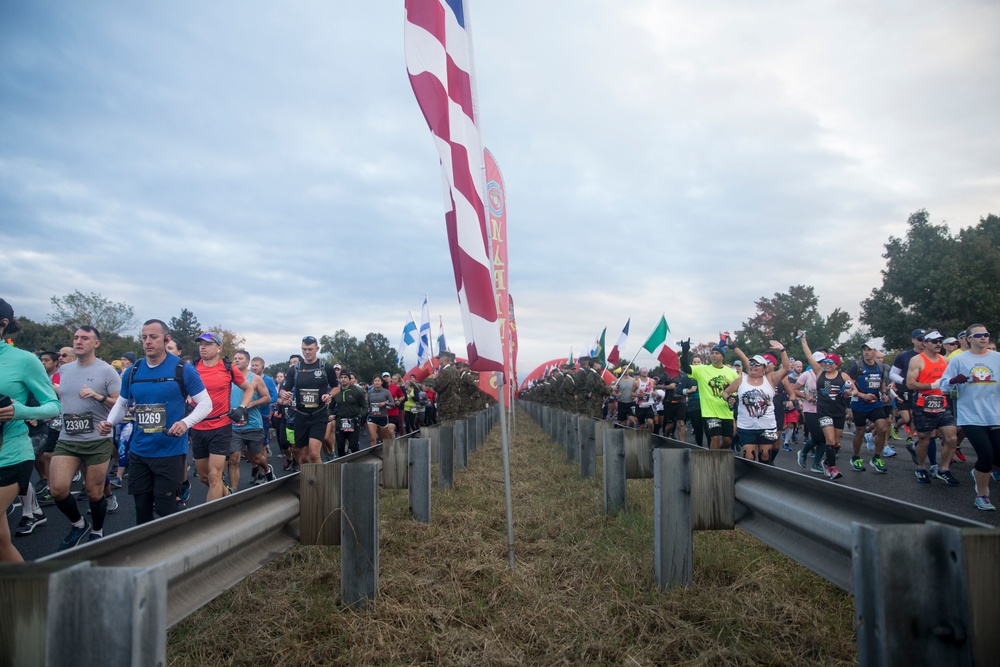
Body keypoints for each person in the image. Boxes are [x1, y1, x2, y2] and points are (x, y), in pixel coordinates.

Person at [99, 320, 212, 525]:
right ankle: (146, 553)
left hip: (169, 451)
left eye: (153, 337)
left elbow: (206, 403)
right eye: (144, 338)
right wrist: (109, 423)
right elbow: (122, 403)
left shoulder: (182, 369)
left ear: (166, 339)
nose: (148, 342)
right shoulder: (133, 371)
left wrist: (186, 423)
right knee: (141, 510)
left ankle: (190, 531)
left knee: (164, 507)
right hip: (140, 450)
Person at [47, 326, 122, 548]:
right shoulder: (66, 369)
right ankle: (79, 524)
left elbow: (120, 403)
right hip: (68, 438)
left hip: (97, 439)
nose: (79, 341)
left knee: (93, 492)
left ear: (96, 344)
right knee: (58, 490)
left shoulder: (107, 370)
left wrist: (98, 396)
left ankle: (97, 531)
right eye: (76, 338)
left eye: (85, 338)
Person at [0, 299, 61, 561]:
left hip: (10, 455)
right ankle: (32, 599)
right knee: (2, 542)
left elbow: (53, 406)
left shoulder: (24, 360)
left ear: (3, 324)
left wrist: (20, 411)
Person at [936, 324, 999, 509]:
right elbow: (944, 385)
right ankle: (982, 495)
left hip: (995, 414)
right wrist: (953, 380)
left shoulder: (997, 358)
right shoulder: (959, 360)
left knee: (996, 458)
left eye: (986, 334)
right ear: (968, 339)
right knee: (986, 455)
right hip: (971, 415)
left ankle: (980, 471)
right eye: (978, 335)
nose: (983, 338)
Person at [190, 333, 254, 500]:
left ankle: (210, 521)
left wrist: (241, 408)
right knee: (204, 477)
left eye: (208, 344)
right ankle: (227, 496)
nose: (203, 347)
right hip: (198, 426)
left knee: (214, 476)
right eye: (201, 344)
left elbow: (249, 388)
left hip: (220, 426)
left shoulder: (228, 368)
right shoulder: (192, 367)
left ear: (219, 348)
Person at [906, 330, 960, 486]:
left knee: (952, 438)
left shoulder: (946, 360)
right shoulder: (917, 360)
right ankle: (921, 467)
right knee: (924, 439)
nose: (938, 344)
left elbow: (951, 379)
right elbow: (910, 383)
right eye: (934, 341)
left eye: (940, 341)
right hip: (924, 404)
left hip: (942, 403)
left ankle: (944, 470)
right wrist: (931, 385)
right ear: (925, 343)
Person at [722, 342, 790, 463]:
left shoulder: (770, 379)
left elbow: (786, 368)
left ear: (764, 368)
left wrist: (782, 350)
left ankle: (764, 480)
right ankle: (748, 480)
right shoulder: (741, 380)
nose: (753, 366)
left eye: (757, 364)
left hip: (767, 426)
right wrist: (728, 399)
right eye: (751, 364)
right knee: (749, 457)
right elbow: (725, 392)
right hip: (746, 426)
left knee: (765, 456)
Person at [799, 332, 852, 481]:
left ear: (837, 365)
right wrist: (804, 340)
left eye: (830, 363)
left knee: (835, 442)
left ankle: (826, 462)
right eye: (825, 362)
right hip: (823, 412)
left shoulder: (844, 376)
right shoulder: (819, 372)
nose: (827, 364)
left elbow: (853, 390)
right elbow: (809, 355)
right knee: (828, 441)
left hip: (839, 412)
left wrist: (850, 392)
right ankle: (832, 469)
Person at [278, 336, 338, 465]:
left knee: (314, 453)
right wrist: (285, 394)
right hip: (300, 415)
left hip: (318, 415)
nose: (307, 352)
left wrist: (329, 395)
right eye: (304, 349)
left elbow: (336, 387)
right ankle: (309, 482)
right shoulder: (295, 369)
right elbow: (284, 390)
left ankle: (322, 483)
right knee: (304, 457)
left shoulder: (325, 367)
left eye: (310, 349)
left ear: (317, 349)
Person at [845, 341, 891, 473]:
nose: (866, 352)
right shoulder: (856, 366)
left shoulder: (880, 366)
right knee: (860, 432)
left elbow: (881, 381)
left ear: (875, 352)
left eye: (869, 349)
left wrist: (883, 393)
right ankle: (856, 457)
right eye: (864, 349)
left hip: (875, 403)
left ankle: (876, 457)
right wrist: (862, 395)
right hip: (859, 403)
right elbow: (849, 385)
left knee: (882, 428)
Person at [681, 344, 739, 450]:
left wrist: (734, 400)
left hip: (726, 412)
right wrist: (684, 352)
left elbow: (737, 390)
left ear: (723, 356)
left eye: (717, 353)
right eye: (712, 353)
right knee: (715, 438)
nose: (714, 355)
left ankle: (716, 455)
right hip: (710, 412)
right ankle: (713, 463)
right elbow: (685, 368)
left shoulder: (732, 373)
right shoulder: (702, 369)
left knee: (727, 441)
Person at [230, 350, 273, 487]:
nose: (237, 360)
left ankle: (267, 469)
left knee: (255, 457)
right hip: (234, 425)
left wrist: (251, 404)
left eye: (240, 358)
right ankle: (233, 492)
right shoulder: (229, 377)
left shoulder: (255, 378)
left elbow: (267, 397)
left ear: (247, 362)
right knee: (234, 458)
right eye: (235, 358)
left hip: (252, 423)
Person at [331, 369, 367, 456]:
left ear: (349, 379)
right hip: (340, 421)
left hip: (353, 420)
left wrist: (359, 417)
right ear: (339, 379)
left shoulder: (357, 391)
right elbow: (330, 407)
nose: (343, 379)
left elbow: (365, 407)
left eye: (345, 377)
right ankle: (342, 467)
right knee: (340, 447)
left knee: (353, 447)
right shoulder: (336, 392)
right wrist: (330, 415)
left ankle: (355, 465)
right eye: (341, 377)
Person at [366, 375, 394, 445]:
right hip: (372, 416)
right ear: (373, 382)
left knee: (383, 439)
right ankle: (373, 453)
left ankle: (383, 452)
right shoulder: (370, 392)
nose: (377, 382)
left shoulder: (386, 392)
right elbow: (367, 404)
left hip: (382, 416)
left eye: (378, 381)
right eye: (375, 381)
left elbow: (392, 403)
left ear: (381, 382)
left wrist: (384, 403)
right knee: (373, 438)